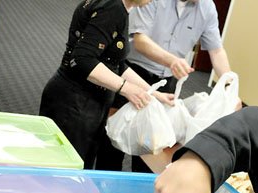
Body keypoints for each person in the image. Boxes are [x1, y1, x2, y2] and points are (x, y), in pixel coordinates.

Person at [95, 0, 232, 172]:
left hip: (167, 81)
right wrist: (171, 60)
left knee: (151, 145)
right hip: (133, 72)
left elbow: (216, 50)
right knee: (114, 136)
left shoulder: (207, 8)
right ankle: (103, 186)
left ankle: (138, 188)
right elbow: (140, 40)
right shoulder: (154, 1)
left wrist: (229, 86)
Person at [39, 0, 174, 169]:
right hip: (74, 105)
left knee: (75, 171)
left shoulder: (119, 7)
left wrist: (154, 93)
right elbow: (82, 60)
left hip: (84, 103)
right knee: (64, 174)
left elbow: (116, 64)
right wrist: (125, 88)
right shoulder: (113, 8)